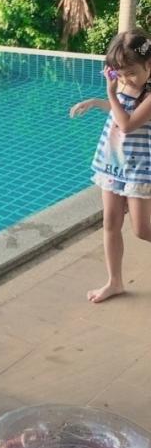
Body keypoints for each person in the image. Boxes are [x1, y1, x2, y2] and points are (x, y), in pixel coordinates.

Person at [70, 30, 151, 303]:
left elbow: (127, 124)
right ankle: (114, 282)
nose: (125, 79)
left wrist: (110, 93)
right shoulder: (126, 84)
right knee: (111, 223)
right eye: (121, 74)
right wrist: (97, 103)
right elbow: (119, 110)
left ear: (149, 65)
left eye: (131, 73)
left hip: (138, 168)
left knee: (142, 229)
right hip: (112, 164)